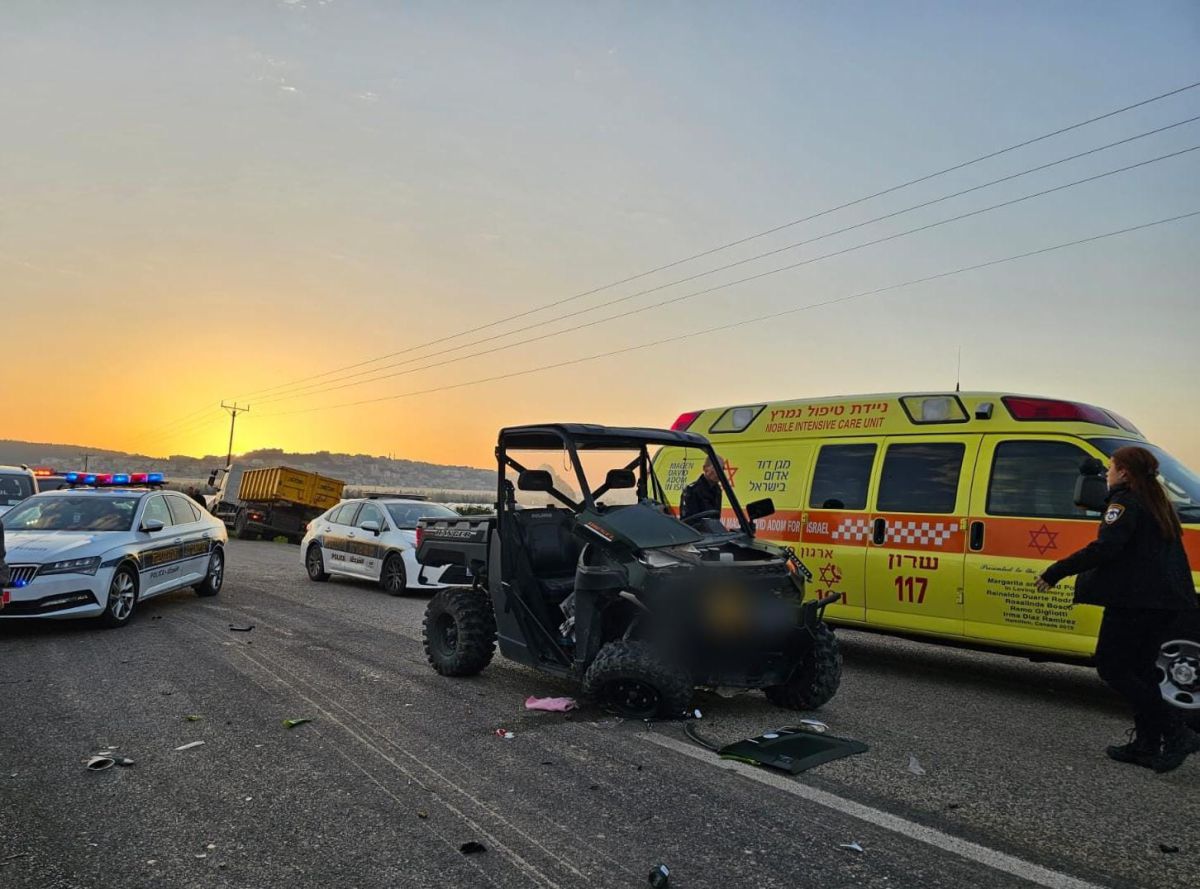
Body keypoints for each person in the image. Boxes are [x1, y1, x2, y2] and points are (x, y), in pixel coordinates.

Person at [1037, 445, 1198, 772]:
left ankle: (1176, 731)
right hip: (1161, 602)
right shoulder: (1158, 502)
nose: (1108, 473)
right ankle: (1147, 745)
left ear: (1125, 472)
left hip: (1134, 602)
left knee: (1112, 667)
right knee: (1140, 671)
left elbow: (1106, 548)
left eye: (1111, 467)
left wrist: (1056, 571)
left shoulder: (1125, 501)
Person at [680, 456, 723, 522]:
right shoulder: (692, 490)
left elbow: (716, 518)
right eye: (715, 468)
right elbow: (688, 521)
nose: (719, 472)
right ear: (705, 468)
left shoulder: (717, 490)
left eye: (722, 469)